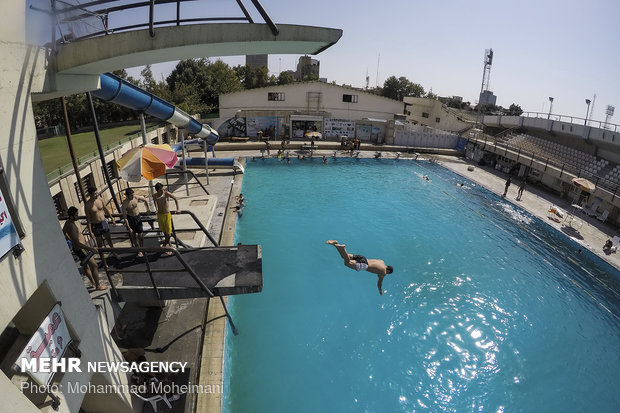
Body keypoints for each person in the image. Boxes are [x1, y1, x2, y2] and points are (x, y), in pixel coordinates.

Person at [326, 240, 393, 295]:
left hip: (363, 258)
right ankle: (342, 248)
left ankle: (335, 244)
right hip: (364, 265)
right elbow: (379, 283)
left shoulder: (381, 261)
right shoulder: (384, 272)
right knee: (347, 263)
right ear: (388, 271)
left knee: (345, 256)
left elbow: (376, 267)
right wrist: (380, 290)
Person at [63, 206, 106, 290]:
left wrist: (70, 239)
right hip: (81, 249)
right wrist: (90, 249)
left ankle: (94, 282)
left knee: (86, 266)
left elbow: (64, 232)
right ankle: (98, 286)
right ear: (71, 216)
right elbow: (78, 243)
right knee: (94, 266)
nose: (77, 216)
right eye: (76, 215)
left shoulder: (67, 223)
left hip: (77, 249)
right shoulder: (72, 226)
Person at [84, 186, 120, 259]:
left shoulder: (100, 199)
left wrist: (111, 218)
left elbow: (105, 209)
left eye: (97, 193)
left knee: (109, 240)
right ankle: (102, 259)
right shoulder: (87, 205)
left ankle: (114, 253)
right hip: (96, 225)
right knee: (99, 244)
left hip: (103, 222)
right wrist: (90, 231)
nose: (96, 195)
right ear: (90, 195)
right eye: (94, 194)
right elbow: (88, 219)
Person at [153, 182, 180, 253]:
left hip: (166, 214)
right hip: (160, 215)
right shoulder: (155, 196)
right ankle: (170, 245)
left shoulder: (166, 194)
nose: (162, 191)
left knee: (169, 233)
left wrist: (178, 209)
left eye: (162, 189)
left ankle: (164, 245)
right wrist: (156, 209)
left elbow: (175, 198)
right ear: (157, 190)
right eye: (160, 190)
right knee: (164, 232)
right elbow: (155, 202)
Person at [122, 188, 149, 257]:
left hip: (137, 217)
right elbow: (125, 217)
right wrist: (128, 227)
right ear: (127, 196)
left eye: (132, 195)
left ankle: (142, 248)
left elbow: (145, 199)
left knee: (140, 235)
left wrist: (148, 209)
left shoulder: (135, 198)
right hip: (130, 218)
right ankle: (138, 250)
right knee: (133, 235)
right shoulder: (124, 203)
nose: (132, 196)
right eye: (130, 195)